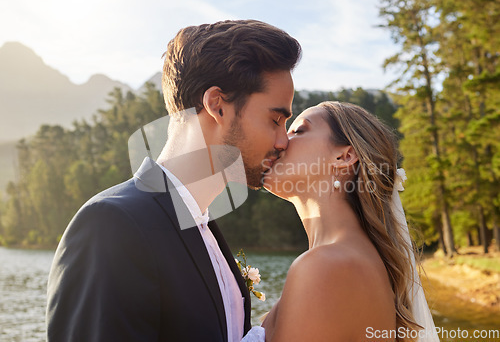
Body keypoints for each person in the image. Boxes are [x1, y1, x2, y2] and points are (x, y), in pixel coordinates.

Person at [46, 19, 301, 342]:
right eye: (275, 119)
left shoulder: (205, 231)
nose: (283, 141)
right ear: (217, 105)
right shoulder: (112, 225)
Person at [242, 101, 439, 342]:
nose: (281, 141)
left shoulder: (327, 267)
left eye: (299, 131)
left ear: (345, 156)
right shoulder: (347, 261)